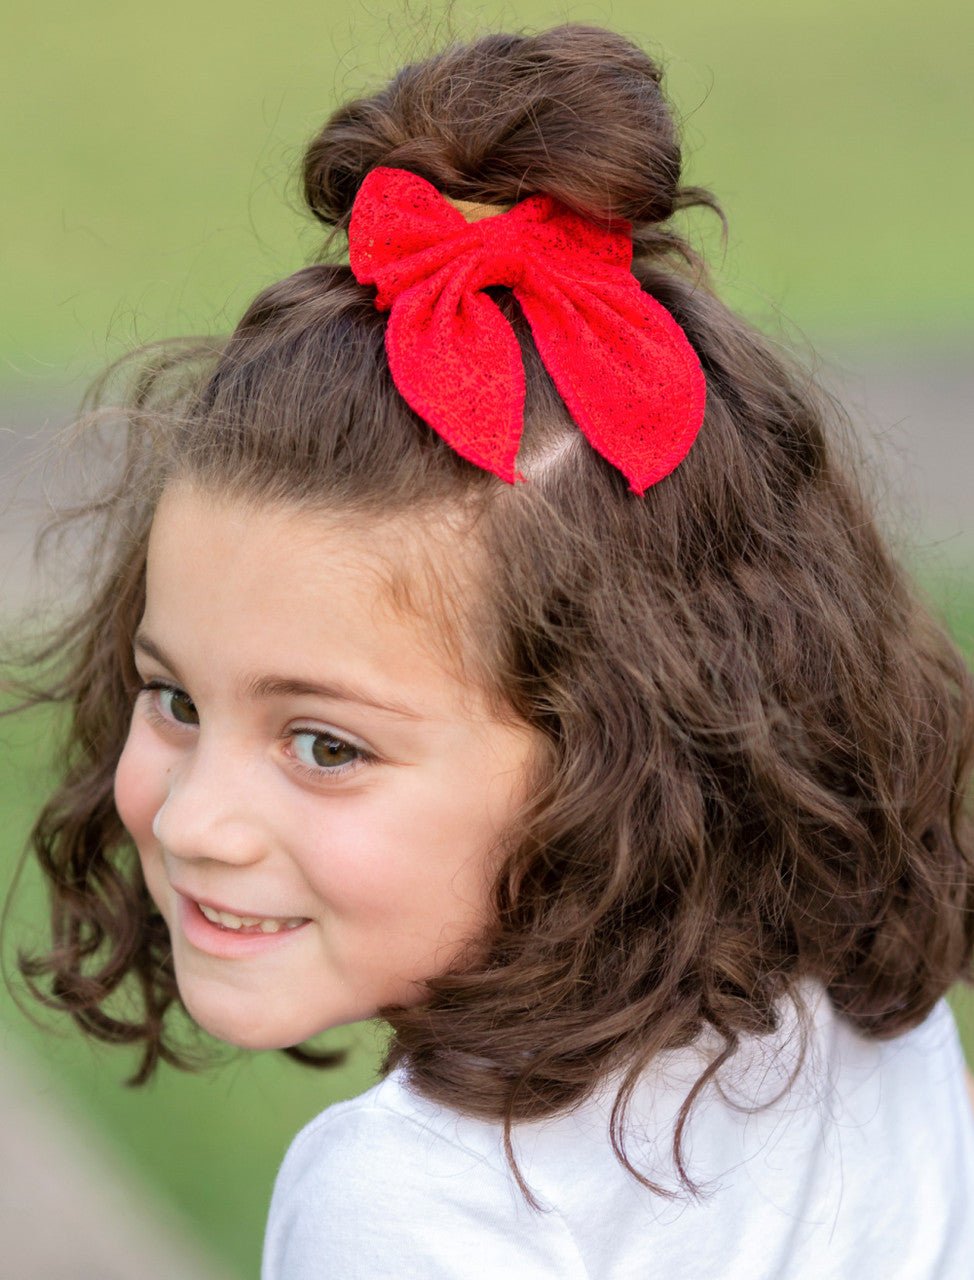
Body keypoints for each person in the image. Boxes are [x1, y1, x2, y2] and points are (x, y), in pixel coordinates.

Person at [7, 21, 974, 1279]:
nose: (195, 818)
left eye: (323, 743)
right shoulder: (841, 1012)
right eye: (173, 697)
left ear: (627, 759)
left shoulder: (409, 1203)